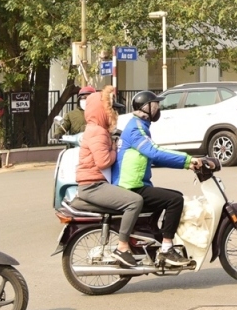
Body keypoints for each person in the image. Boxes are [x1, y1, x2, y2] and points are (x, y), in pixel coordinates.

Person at [116, 91, 201, 267]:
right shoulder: (136, 128)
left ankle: (156, 243)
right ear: (145, 108)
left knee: (169, 197)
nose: (158, 108)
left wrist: (185, 164)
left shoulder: (140, 126)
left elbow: (154, 156)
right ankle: (167, 249)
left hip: (137, 184)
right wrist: (188, 160)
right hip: (131, 187)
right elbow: (154, 152)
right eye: (155, 105)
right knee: (175, 200)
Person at [75, 86, 142, 268]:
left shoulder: (98, 129)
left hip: (95, 183)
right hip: (93, 185)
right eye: (111, 109)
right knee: (134, 201)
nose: (114, 113)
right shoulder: (97, 131)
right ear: (102, 110)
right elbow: (103, 161)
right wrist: (114, 148)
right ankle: (122, 247)